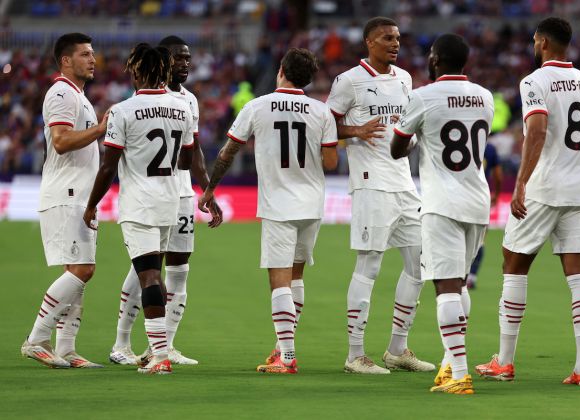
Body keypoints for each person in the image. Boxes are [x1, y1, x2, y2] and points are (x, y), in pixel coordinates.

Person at [476, 17, 580, 387]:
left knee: (514, 264)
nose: (533, 45)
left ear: (543, 42)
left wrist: (521, 183)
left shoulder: (535, 81)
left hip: (545, 187)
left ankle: (506, 361)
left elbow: (538, 129)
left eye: (534, 40)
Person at [198, 48, 338, 374]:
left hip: (278, 204)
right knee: (297, 275)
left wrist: (210, 188)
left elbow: (228, 151)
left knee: (279, 280)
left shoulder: (257, 106)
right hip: (312, 204)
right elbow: (331, 163)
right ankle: (281, 348)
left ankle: (287, 357)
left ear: (281, 71)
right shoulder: (322, 112)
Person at [326, 16, 434, 374]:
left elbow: (406, 124)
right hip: (371, 183)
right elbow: (326, 125)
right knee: (369, 265)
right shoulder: (349, 81)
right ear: (369, 42)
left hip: (404, 183)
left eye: (398, 38)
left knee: (420, 263)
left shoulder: (404, 79)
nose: (395, 43)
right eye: (387, 38)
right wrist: (355, 129)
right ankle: (355, 354)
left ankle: (397, 349)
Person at [83, 43, 195, 375]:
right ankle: (157, 350)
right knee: (153, 273)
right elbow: (186, 159)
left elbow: (108, 167)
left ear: (135, 71)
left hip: (139, 205)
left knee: (148, 276)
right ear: (164, 71)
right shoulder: (183, 108)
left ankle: (158, 355)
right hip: (170, 202)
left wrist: (91, 205)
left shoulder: (122, 111)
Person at [392, 33, 495, 394]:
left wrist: (419, 135)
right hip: (478, 199)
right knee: (460, 280)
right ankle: (451, 363)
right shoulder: (485, 97)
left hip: (442, 202)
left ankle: (460, 374)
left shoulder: (422, 97)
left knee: (445, 285)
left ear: (435, 59)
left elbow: (396, 148)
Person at [109, 35, 212, 367]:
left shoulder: (189, 101)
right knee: (146, 269)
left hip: (180, 196)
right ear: (163, 62)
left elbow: (194, 155)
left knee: (179, 271)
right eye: (178, 58)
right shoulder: (146, 100)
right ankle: (122, 343)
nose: (184, 64)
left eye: (188, 58)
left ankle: (163, 346)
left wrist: (206, 191)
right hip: (155, 194)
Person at [21, 33, 109, 369]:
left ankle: (67, 348)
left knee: (78, 271)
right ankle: (36, 339)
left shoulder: (78, 96)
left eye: (93, 53)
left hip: (80, 196)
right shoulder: (60, 92)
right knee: (82, 270)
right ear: (66, 61)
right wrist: (101, 129)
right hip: (66, 194)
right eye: (85, 54)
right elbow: (60, 141)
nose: (93, 59)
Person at [466, 141, 503, 289]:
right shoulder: (490, 148)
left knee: (458, 237)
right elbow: (498, 176)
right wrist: (497, 195)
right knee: (480, 240)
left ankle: (458, 274)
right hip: (482, 197)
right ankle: (472, 276)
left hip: (460, 195)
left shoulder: (464, 140)